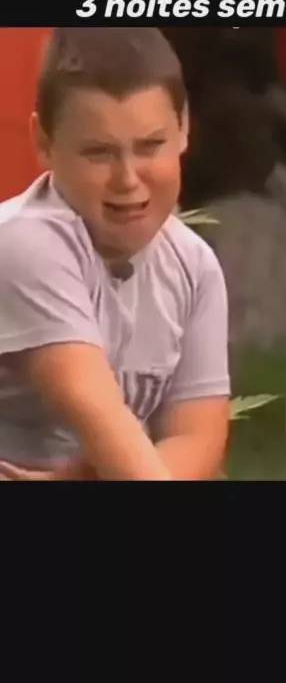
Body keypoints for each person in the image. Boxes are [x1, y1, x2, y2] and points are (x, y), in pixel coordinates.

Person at [0, 27, 231, 481]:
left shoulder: (194, 265)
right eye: (99, 153)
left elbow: (196, 436)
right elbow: (94, 410)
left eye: (150, 146)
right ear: (44, 142)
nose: (128, 179)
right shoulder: (23, 244)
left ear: (184, 128)